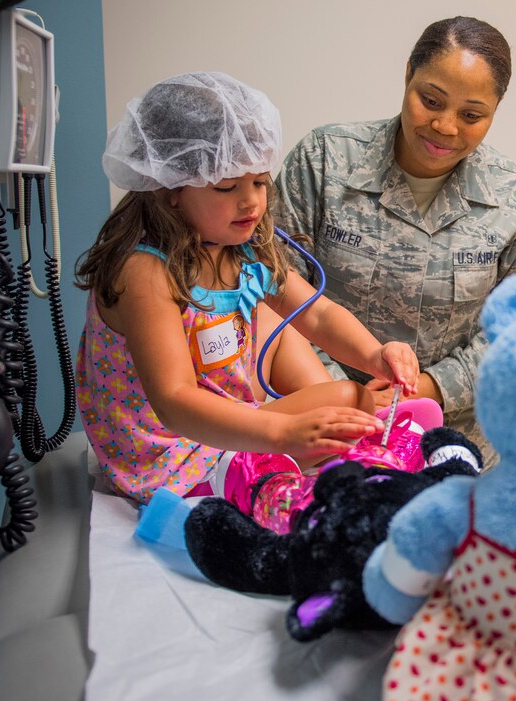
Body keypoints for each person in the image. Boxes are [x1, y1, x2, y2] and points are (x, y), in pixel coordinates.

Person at [75, 72, 423, 531]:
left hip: (222, 415)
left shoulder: (244, 247)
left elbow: (316, 314)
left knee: (286, 327)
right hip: (175, 454)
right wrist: (283, 434)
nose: (251, 202)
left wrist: (376, 354)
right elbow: (175, 401)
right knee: (345, 395)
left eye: (260, 182)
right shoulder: (146, 272)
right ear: (170, 189)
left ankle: (346, 428)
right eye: (227, 187)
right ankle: (351, 428)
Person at [274, 16, 516, 460]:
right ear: (408, 74)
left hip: (460, 446)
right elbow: (270, 290)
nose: (445, 127)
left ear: (495, 110)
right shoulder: (325, 161)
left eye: (471, 115)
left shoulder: (511, 195)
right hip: (326, 431)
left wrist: (428, 389)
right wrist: (343, 394)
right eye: (431, 100)